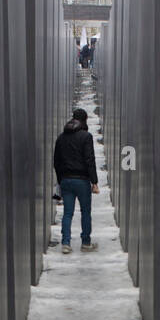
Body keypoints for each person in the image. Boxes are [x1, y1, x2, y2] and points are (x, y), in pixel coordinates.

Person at [52, 108, 99, 253]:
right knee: (85, 211)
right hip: (82, 180)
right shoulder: (86, 137)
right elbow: (89, 159)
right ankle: (85, 242)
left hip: (66, 180)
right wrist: (94, 181)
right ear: (84, 120)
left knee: (67, 213)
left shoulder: (61, 137)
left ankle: (66, 243)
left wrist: (61, 180)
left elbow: (56, 161)